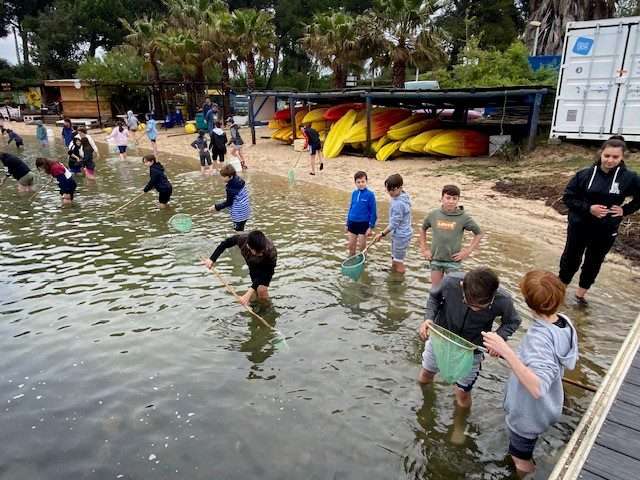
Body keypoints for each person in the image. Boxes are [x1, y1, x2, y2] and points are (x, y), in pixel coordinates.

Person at [482, 270, 577, 477]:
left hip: (529, 415)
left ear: (528, 303)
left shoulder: (539, 338)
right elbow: (547, 361)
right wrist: (511, 355)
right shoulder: (563, 322)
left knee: (520, 459)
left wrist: (507, 351)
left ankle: (529, 473)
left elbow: (537, 387)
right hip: (550, 406)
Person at [417, 267, 522, 409]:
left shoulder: (503, 300)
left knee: (462, 393)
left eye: (482, 307)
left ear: (493, 295)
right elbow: (434, 298)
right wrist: (428, 319)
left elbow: (513, 321)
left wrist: (498, 338)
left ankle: (459, 427)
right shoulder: (450, 282)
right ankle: (425, 407)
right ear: (462, 287)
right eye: (469, 304)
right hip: (440, 339)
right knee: (425, 375)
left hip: (471, 349)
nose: (475, 309)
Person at [559, 136, 640, 303]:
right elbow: (568, 197)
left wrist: (625, 209)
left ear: (622, 157)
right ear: (600, 154)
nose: (610, 160)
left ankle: (580, 295)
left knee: (593, 262)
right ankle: (560, 291)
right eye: (607, 156)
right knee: (570, 258)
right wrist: (589, 208)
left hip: (606, 229)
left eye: (615, 157)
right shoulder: (584, 174)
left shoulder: (630, 178)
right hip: (579, 225)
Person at [420, 184, 483, 287]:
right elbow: (423, 228)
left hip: (453, 262)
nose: (451, 201)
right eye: (448, 198)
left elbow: (479, 233)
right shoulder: (434, 214)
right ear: (442, 198)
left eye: (454, 198)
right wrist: (424, 249)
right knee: (435, 291)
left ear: (458, 200)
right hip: (436, 259)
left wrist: (467, 251)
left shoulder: (463, 217)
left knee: (453, 290)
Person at [202, 230, 277, 306]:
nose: (260, 254)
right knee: (255, 289)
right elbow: (224, 244)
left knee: (262, 290)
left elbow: (264, 274)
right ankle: (255, 304)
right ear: (248, 246)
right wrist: (212, 259)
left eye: (261, 252)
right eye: (257, 253)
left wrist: (247, 295)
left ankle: (267, 309)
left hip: (267, 268)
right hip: (252, 264)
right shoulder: (242, 239)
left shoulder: (270, 251)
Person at [374, 174, 413, 273]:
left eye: (393, 190)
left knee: (398, 261)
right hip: (403, 233)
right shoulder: (404, 196)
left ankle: (398, 283)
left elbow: (394, 223)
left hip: (401, 235)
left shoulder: (398, 203)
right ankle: (393, 272)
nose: (390, 192)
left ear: (400, 188)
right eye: (388, 190)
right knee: (394, 258)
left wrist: (382, 234)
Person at [210, 164, 251, 231]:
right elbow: (236, 197)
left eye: (224, 176)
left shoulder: (230, 188)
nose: (222, 178)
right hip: (246, 210)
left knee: (238, 232)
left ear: (230, 176)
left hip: (238, 214)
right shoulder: (239, 179)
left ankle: (242, 241)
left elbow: (229, 203)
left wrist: (215, 207)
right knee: (241, 228)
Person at [346, 171, 377, 257]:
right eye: (358, 182)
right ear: (355, 183)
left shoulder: (370, 195)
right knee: (351, 247)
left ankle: (362, 264)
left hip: (363, 224)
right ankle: (351, 264)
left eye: (363, 181)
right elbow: (351, 208)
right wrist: (347, 223)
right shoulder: (354, 193)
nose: (361, 184)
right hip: (352, 223)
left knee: (362, 249)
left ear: (366, 181)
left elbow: (373, 212)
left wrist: (370, 227)